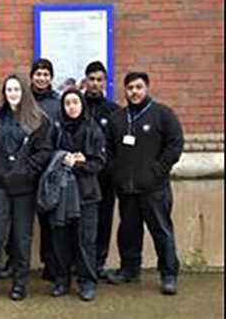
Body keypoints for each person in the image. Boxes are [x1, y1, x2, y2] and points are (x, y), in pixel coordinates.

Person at [106, 72, 184, 296]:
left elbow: (175, 144)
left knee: (161, 231)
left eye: (138, 87)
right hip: (126, 189)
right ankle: (130, 270)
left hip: (154, 188)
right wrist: (116, 174)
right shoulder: (117, 119)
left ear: (146, 88)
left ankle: (168, 274)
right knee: (128, 232)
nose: (134, 92)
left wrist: (158, 171)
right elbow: (109, 150)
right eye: (130, 88)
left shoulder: (162, 114)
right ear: (125, 90)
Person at [0, 74, 52, 301]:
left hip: (23, 187)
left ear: (24, 92)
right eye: (9, 89)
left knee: (21, 236)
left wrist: (24, 172)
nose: (12, 93)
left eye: (17, 89)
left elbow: (44, 152)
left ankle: (19, 284)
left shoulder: (38, 119)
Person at [47, 90, 106, 301]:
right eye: (67, 103)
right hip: (61, 193)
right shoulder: (57, 128)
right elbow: (48, 153)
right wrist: (63, 157)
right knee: (60, 238)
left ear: (81, 104)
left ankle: (87, 282)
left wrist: (79, 163)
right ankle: (62, 280)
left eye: (75, 102)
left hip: (86, 193)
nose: (71, 107)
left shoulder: (93, 129)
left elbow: (99, 162)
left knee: (85, 241)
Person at [83, 61, 120, 279]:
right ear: (85, 80)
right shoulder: (76, 105)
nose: (95, 84)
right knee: (80, 221)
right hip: (82, 176)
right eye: (92, 79)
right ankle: (79, 262)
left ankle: (98, 263)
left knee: (103, 221)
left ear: (104, 82)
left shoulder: (113, 111)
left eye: (99, 80)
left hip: (105, 178)